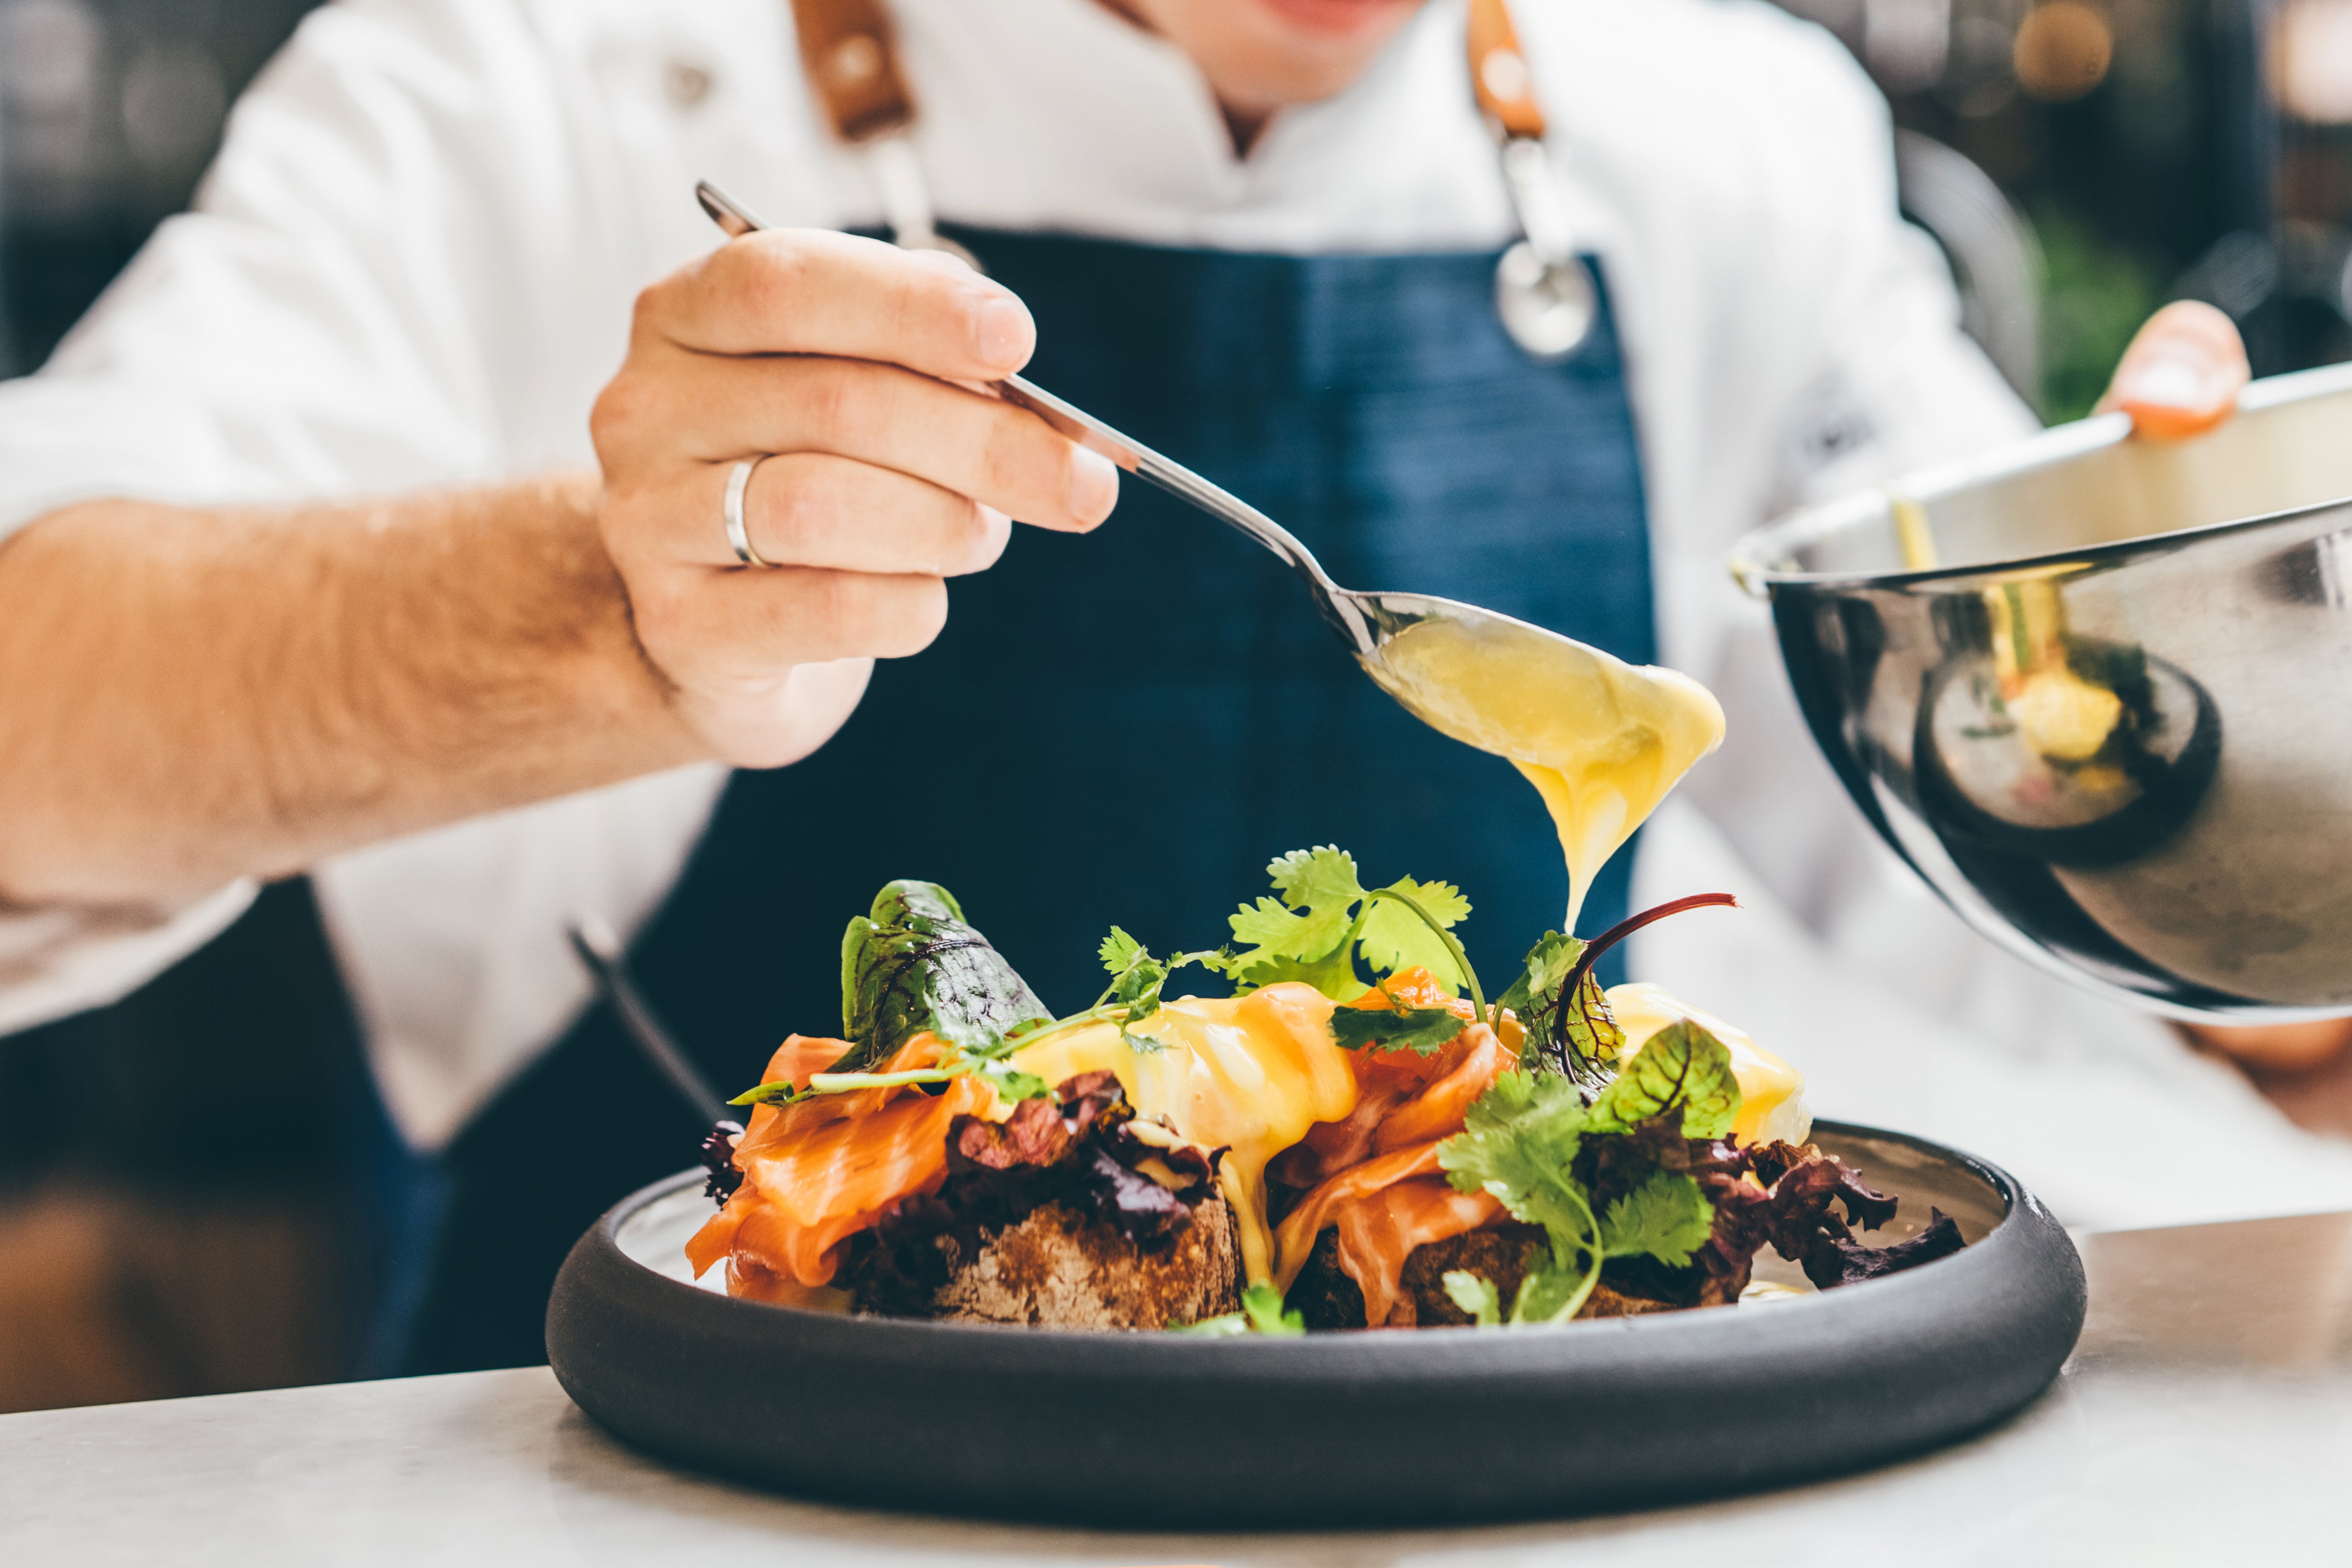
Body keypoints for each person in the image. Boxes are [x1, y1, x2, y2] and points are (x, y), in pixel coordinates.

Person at [0, 0, 2340, 1372]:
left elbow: (1997, 860)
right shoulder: (519, 82)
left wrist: (2243, 785)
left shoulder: (1723, 125)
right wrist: (597, 604)